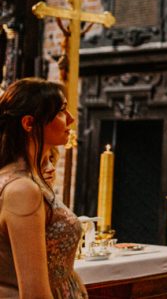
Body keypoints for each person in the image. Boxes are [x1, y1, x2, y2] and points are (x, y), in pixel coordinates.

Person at [0, 78, 87, 299]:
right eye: (61, 111)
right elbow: (34, 294)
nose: (71, 118)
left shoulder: (28, 179)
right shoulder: (22, 190)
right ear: (29, 123)